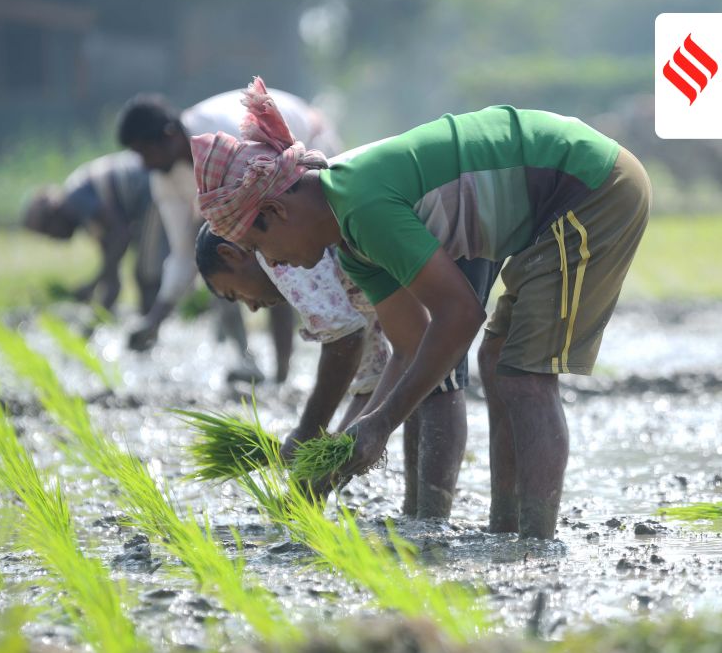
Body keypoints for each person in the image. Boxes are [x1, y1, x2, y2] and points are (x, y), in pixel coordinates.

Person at [195, 78, 652, 539]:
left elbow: (460, 315)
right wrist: (355, 437)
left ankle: (535, 546)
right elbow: (411, 345)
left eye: (261, 245)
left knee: (524, 374)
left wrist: (382, 423)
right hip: (552, 204)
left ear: (277, 210)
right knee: (497, 362)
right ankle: (505, 532)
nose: (273, 263)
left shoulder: (362, 204)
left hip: (588, 184)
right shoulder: (353, 244)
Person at [194, 218, 498, 517]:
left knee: (439, 382)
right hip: (410, 253)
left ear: (233, 254)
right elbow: (373, 386)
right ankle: (419, 518)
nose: (251, 307)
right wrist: (317, 479)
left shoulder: (280, 258)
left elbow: (345, 342)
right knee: (417, 383)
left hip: (440, 232)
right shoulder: (343, 285)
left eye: (235, 294)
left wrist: (308, 430)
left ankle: (432, 529)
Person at [115, 87, 340, 382]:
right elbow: (185, 253)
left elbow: (273, 226)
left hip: (310, 147)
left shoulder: (229, 141)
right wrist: (155, 319)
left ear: (169, 135)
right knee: (220, 264)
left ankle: (285, 373)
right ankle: (248, 362)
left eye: (145, 152)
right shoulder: (165, 179)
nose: (144, 165)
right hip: (263, 199)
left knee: (280, 262)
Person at [22, 151, 167, 314]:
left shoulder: (76, 200)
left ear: (54, 215)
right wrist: (99, 314)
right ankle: (149, 323)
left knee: (146, 273)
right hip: (145, 190)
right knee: (144, 271)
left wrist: (93, 284)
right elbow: (112, 272)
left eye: (49, 232)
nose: (54, 238)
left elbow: (121, 235)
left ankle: (152, 326)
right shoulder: (87, 219)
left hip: (151, 187)